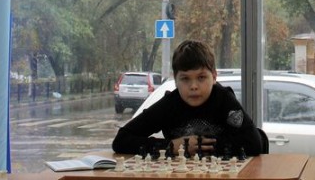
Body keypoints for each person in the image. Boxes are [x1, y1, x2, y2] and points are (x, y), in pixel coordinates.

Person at [112, 39, 263, 158]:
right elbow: (121, 140)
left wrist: (202, 147)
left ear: (214, 77)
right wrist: (171, 146)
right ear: (175, 80)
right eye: (185, 79)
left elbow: (254, 143)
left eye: (201, 77)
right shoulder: (170, 104)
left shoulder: (223, 99)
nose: (193, 86)